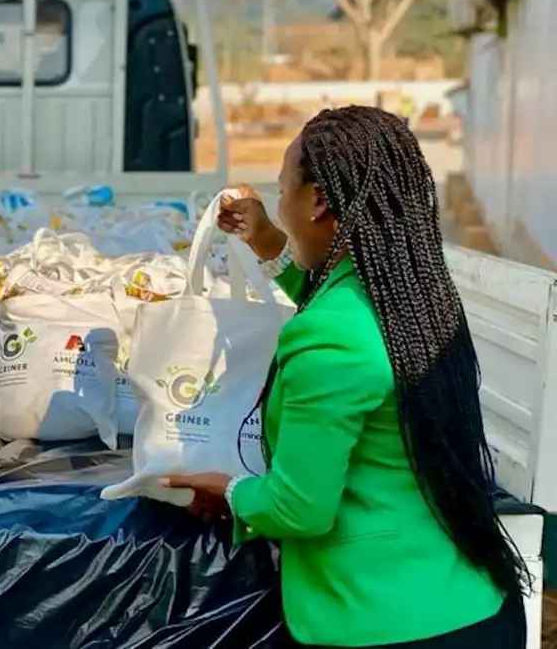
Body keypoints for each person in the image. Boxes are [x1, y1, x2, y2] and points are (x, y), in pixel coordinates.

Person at [163, 106, 528, 648]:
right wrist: (266, 241)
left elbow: (298, 507)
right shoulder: (414, 293)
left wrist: (234, 493)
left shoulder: (328, 340)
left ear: (318, 202)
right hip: (471, 602)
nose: (279, 204)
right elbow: (336, 302)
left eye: (283, 190)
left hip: (392, 624)